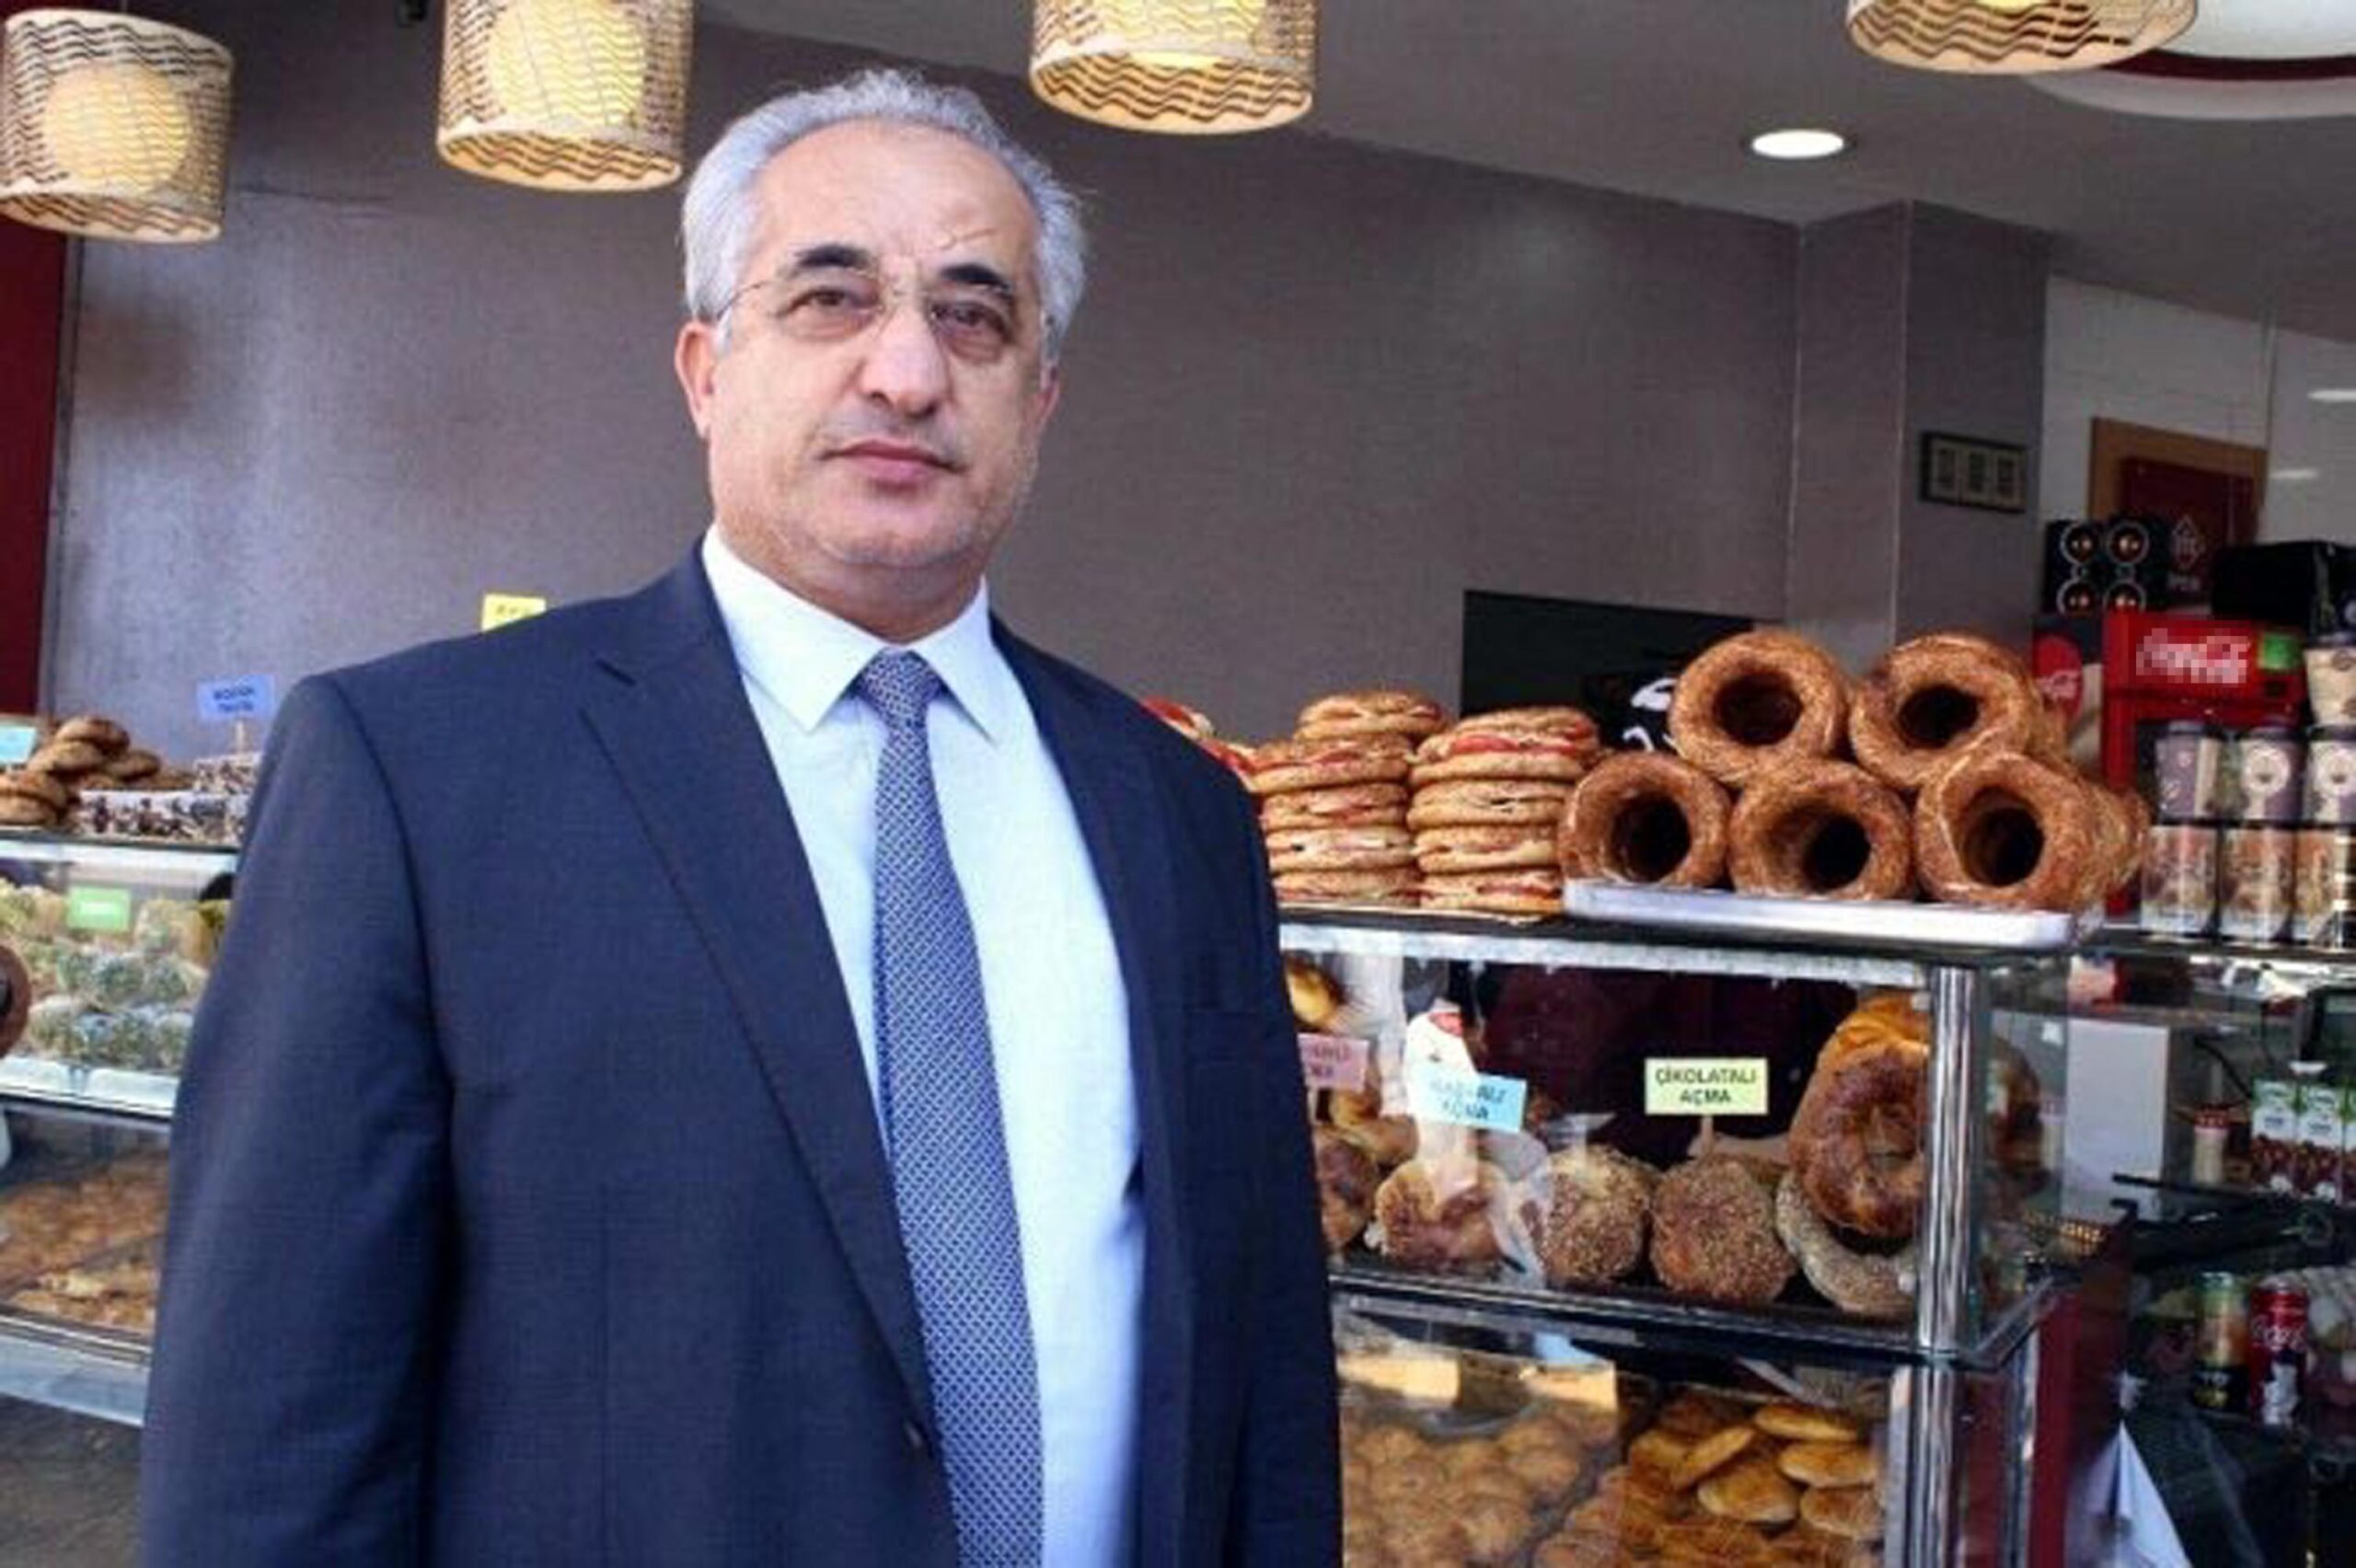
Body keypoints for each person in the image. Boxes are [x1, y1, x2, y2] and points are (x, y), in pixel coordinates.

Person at [139, 69, 1337, 1567]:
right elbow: (274, 1428)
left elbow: (1264, 1363)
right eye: (831, 299)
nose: (907, 371)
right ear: (707, 370)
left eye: (975, 317)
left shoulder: (1180, 811)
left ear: (1040, 402)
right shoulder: (418, 773)